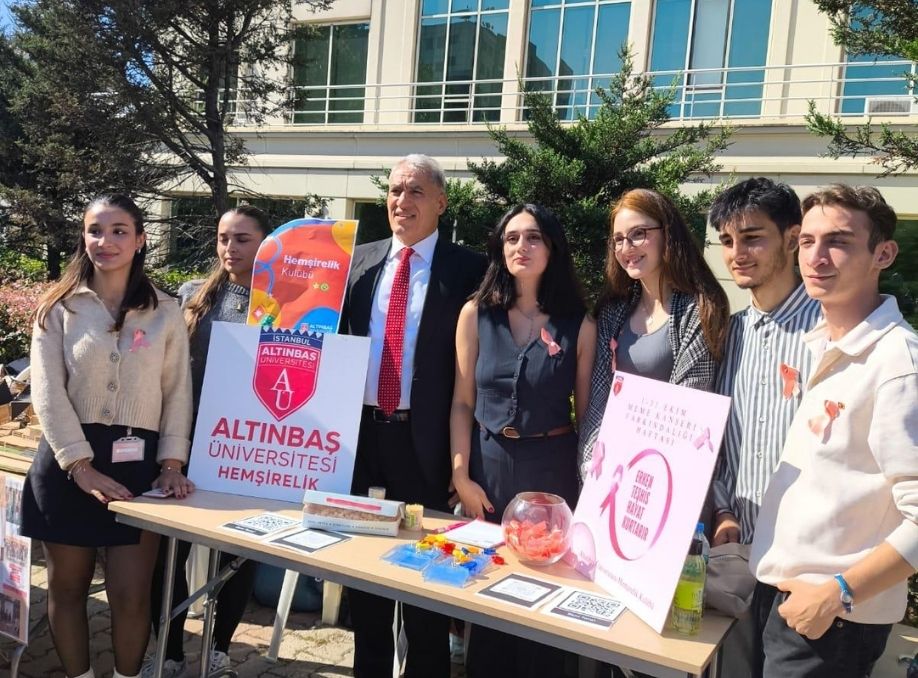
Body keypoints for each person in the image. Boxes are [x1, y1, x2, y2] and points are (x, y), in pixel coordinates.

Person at [21, 194, 193, 678]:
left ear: (140, 240)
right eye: (96, 229)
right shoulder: (57, 308)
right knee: (67, 589)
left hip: (138, 470)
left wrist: (172, 463)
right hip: (67, 464)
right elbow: (48, 394)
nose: (106, 241)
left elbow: (178, 392)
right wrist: (80, 465)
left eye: (120, 231)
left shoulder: (166, 311)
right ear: (84, 236)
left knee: (132, 594)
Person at [750, 185, 918, 678]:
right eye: (807, 241)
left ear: (882, 254)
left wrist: (837, 593)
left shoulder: (897, 363)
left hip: (834, 620)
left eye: (839, 242)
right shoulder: (825, 345)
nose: (816, 257)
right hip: (785, 601)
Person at [340, 154, 486, 677]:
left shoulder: (470, 270)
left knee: (427, 590)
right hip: (360, 444)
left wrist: (462, 462)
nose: (403, 201)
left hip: (425, 448)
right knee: (367, 587)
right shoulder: (357, 262)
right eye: (396, 190)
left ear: (442, 202)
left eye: (416, 191)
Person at [450, 203, 595, 678]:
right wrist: (461, 476)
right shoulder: (475, 314)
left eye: (533, 238)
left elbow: (587, 413)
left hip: (552, 474)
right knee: (490, 599)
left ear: (552, 249)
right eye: (512, 238)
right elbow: (462, 402)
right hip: (489, 470)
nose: (521, 247)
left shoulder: (580, 323)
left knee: (546, 601)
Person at [144, 205, 271, 677]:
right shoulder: (192, 295)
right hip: (187, 441)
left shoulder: (285, 304)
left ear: (265, 243)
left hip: (248, 446)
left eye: (242, 239)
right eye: (223, 238)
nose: (230, 249)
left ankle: (217, 649)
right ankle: (171, 651)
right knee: (172, 555)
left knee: (237, 556)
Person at [707, 177, 823, 677]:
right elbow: (715, 439)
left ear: (792, 237)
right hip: (736, 555)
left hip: (806, 565)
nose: (738, 254)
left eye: (753, 237)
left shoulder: (829, 332)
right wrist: (723, 507)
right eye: (728, 241)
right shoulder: (729, 332)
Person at [579, 188, 729, 478]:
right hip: (613, 473)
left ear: (667, 233)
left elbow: (687, 409)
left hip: (671, 475)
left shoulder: (700, 308)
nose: (627, 247)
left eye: (639, 234)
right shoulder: (613, 312)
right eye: (618, 239)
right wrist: (591, 465)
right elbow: (599, 401)